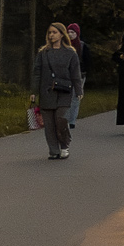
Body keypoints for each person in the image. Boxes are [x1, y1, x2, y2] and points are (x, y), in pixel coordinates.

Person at [30, 22, 83, 161]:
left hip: (64, 91)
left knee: (61, 119)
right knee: (49, 123)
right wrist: (34, 91)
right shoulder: (43, 53)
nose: (51, 35)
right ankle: (53, 150)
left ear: (61, 34)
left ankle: (64, 146)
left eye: (54, 32)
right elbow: (37, 72)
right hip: (47, 91)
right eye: (49, 33)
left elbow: (75, 74)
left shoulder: (70, 53)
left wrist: (79, 90)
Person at [66, 23, 90, 129]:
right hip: (66, 75)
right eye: (69, 32)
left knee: (76, 97)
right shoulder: (64, 45)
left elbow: (88, 61)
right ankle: (65, 118)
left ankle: (72, 120)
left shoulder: (82, 46)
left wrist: (84, 70)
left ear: (77, 33)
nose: (70, 35)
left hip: (79, 75)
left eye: (73, 32)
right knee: (66, 96)